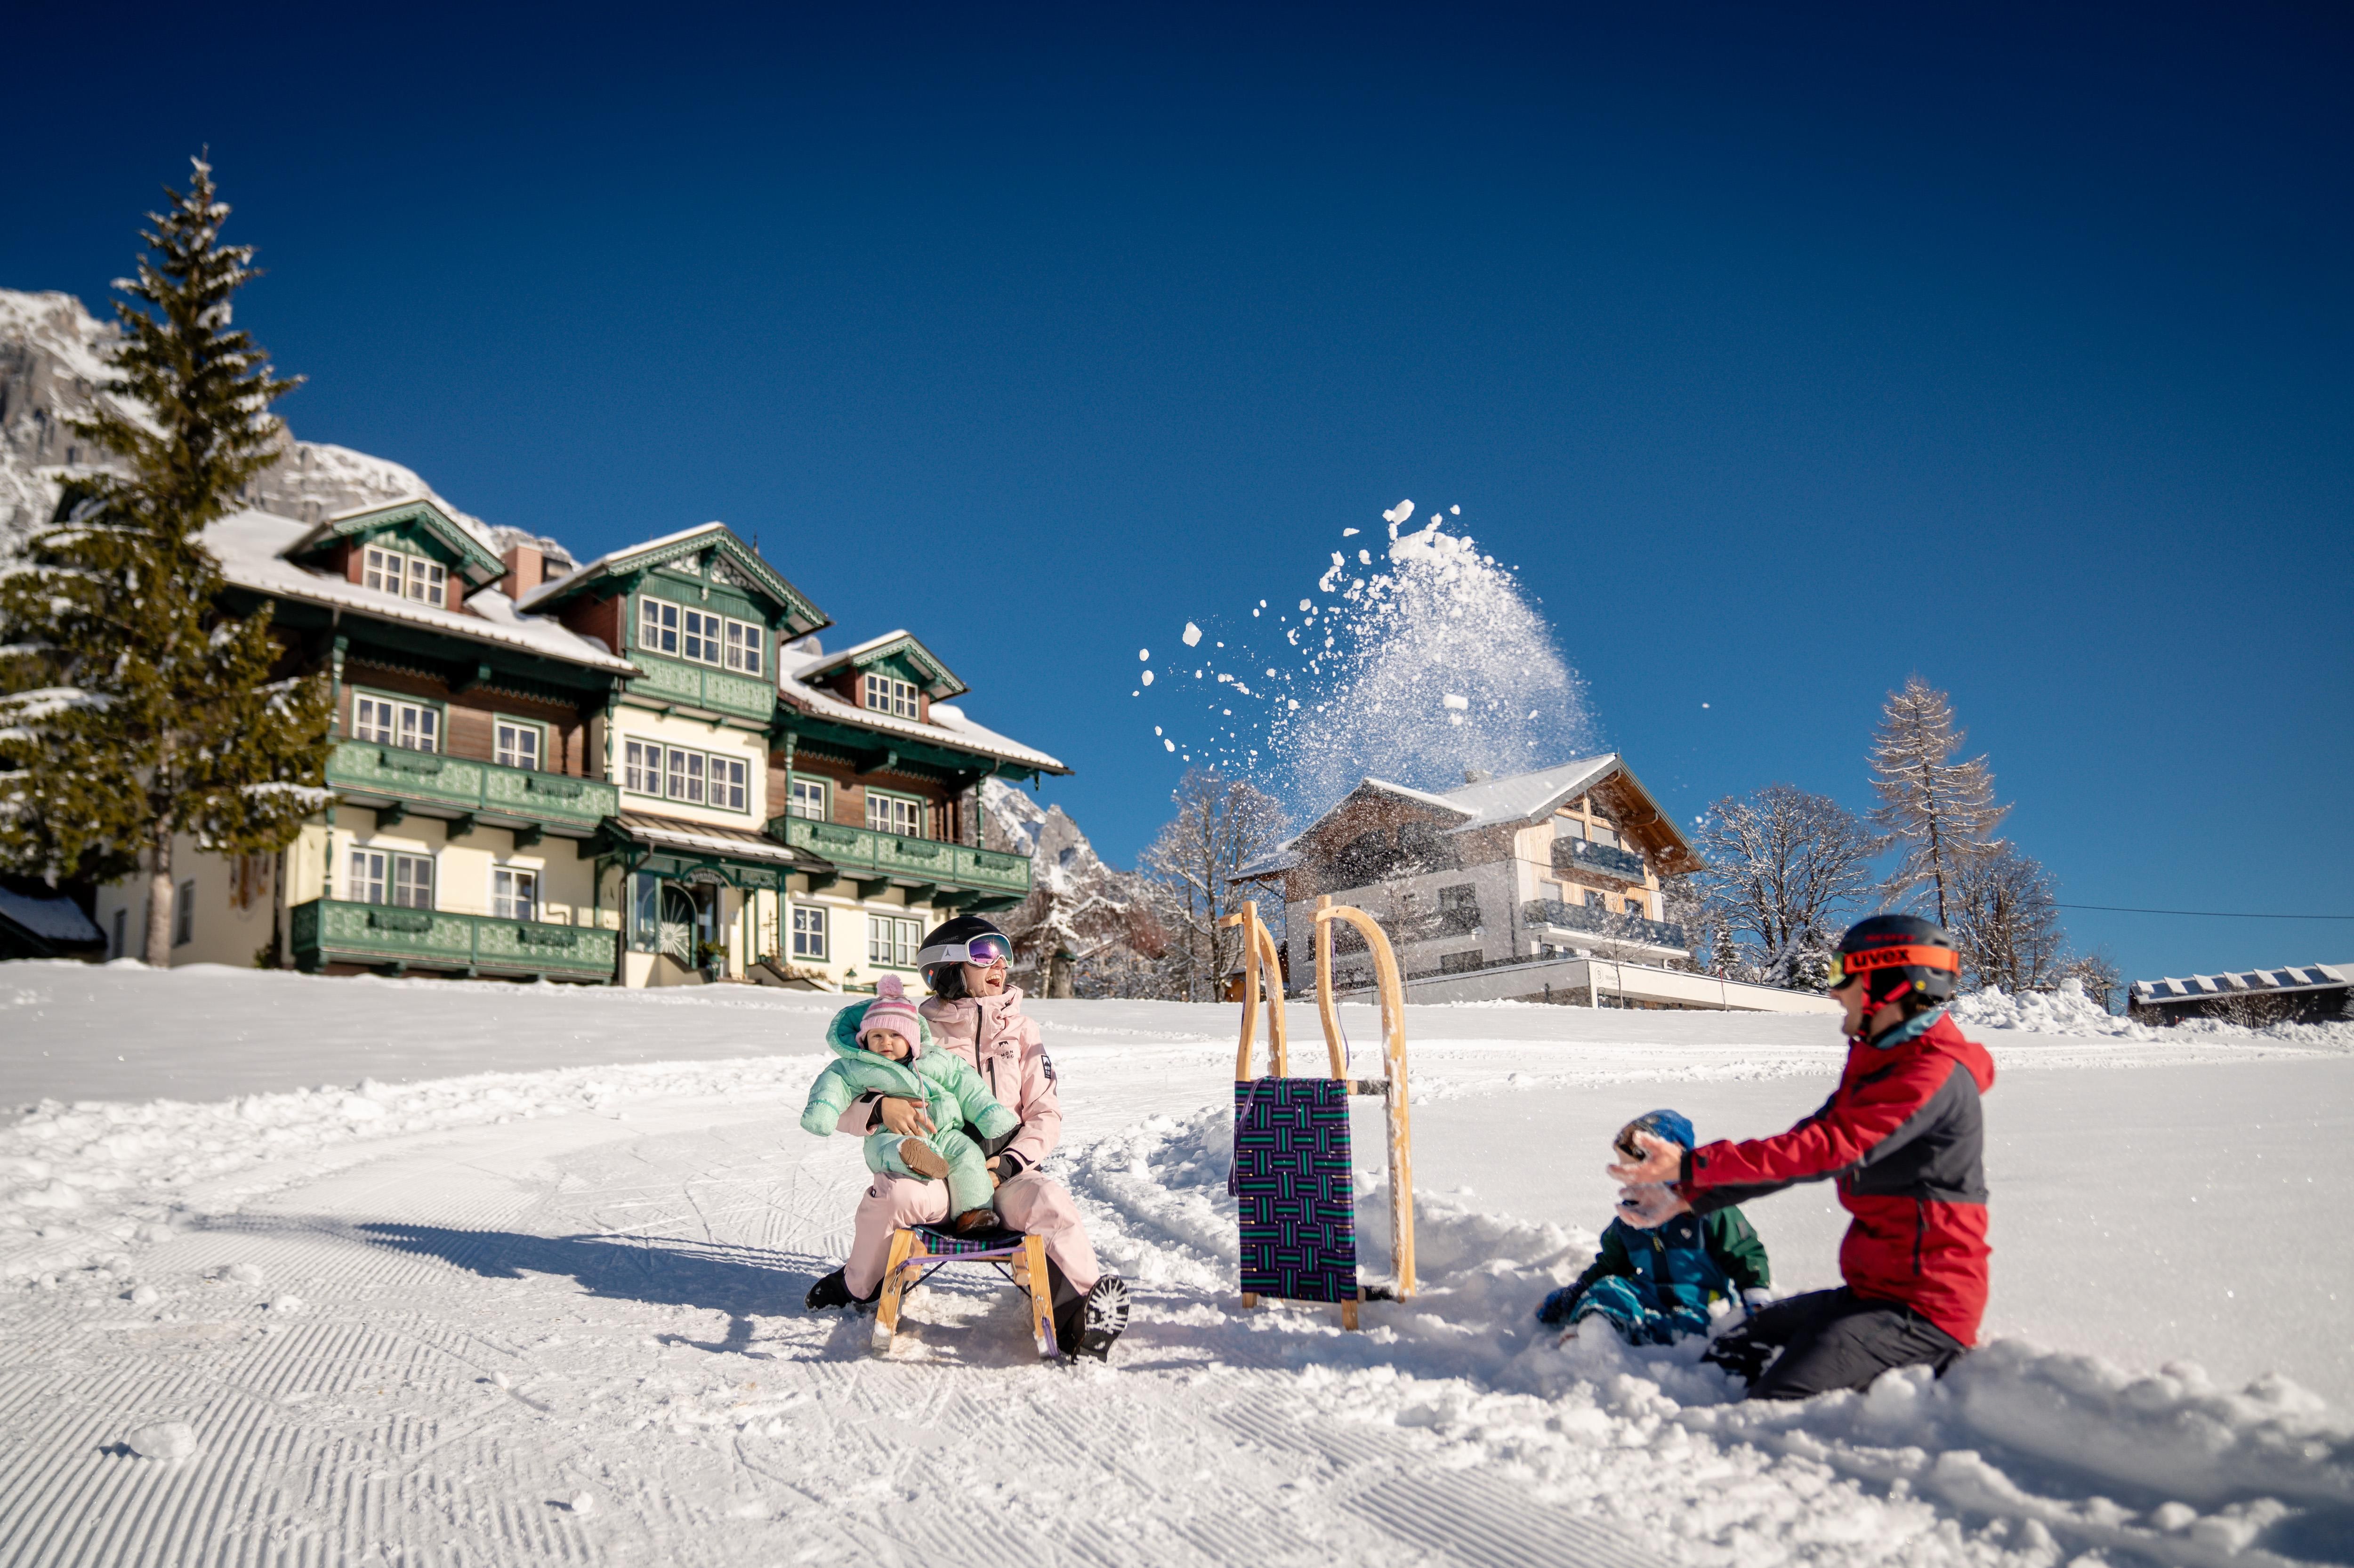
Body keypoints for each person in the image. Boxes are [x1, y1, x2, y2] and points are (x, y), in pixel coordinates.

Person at [1606, 915, 1995, 1400]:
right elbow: (1797, 1149)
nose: (1834, 990)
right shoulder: (1882, 1065)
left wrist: (1690, 1164)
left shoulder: (1930, 1074)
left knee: (1777, 1400)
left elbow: (1825, 1149)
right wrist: (1689, 1195)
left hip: (1924, 1309)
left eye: (1842, 973)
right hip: (1870, 1293)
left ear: (1892, 981)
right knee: (1730, 1354)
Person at [804, 915, 1131, 1362]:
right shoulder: (909, 1028)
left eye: (1004, 953)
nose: (1001, 963)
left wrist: (1010, 1164)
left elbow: (1045, 1113)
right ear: (948, 967)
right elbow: (841, 1095)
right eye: (984, 952)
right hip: (937, 1175)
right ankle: (860, 1285)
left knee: (1049, 1200)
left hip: (1005, 1176)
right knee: (896, 1195)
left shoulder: (1022, 1031)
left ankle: (1082, 1317)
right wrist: (879, 1108)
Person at [799, 975, 1016, 1233]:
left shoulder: (933, 1059)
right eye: (876, 1035)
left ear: (912, 1038)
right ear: (864, 1040)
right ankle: (915, 1156)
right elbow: (833, 1084)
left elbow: (965, 1082)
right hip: (890, 1134)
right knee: (891, 1150)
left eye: (895, 1034)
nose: (886, 1042)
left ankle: (974, 1213)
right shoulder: (858, 1066)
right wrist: (822, 1111)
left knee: (968, 1154)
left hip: (944, 1132)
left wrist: (988, 1112)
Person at [1536, 1108, 1771, 1345]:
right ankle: (1593, 1333)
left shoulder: (1708, 1211)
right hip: (1649, 1296)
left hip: (1701, 1302)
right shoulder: (1630, 1220)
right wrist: (1576, 1293)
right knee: (1608, 1289)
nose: (1629, 1178)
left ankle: (1648, 1337)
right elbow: (1610, 1266)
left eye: (1637, 1170)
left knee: (1696, 1325)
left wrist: (1756, 1298)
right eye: (1625, 1169)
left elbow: (1745, 1252)